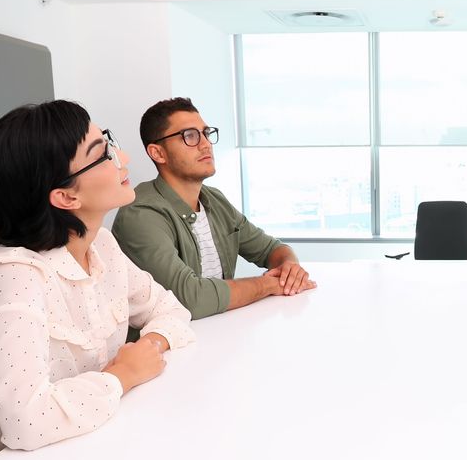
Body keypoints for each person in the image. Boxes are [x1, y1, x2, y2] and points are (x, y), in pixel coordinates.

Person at [0, 100, 195, 460]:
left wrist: (149, 348)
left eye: (109, 143)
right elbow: (23, 420)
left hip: (90, 446)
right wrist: (122, 377)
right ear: (66, 197)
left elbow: (170, 310)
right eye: (103, 154)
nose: (124, 157)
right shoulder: (14, 274)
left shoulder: (102, 246)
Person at [112, 97, 315, 320]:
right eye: (190, 136)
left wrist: (289, 269)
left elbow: (272, 249)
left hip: (217, 337)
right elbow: (190, 299)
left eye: (206, 133)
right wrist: (266, 285)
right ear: (158, 153)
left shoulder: (213, 200)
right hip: (164, 350)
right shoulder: (140, 214)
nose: (205, 144)